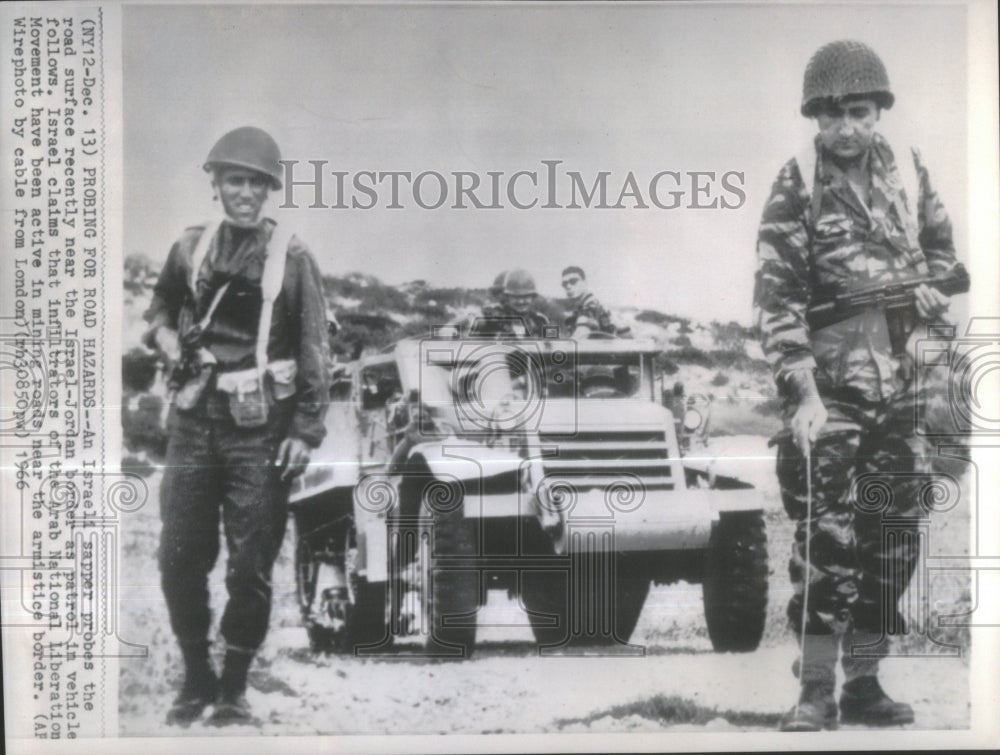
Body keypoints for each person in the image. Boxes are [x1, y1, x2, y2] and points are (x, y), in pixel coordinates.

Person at [753, 41, 960, 731]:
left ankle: (865, 680)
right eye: (833, 114)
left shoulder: (910, 171)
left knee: (895, 535)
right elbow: (776, 301)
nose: (847, 127)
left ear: (879, 112)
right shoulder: (796, 183)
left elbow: (941, 255)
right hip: (832, 390)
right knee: (826, 542)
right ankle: (815, 686)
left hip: (902, 387)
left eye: (860, 112)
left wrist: (930, 295)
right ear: (815, 117)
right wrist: (804, 395)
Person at [143, 126, 330, 726]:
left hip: (261, 430)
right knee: (178, 555)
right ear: (216, 184)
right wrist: (172, 343)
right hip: (195, 420)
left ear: (269, 189)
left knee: (251, 563)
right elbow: (160, 310)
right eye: (234, 180)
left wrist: (305, 430)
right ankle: (195, 678)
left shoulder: (291, 257)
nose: (245, 193)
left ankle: (234, 688)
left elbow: (314, 350)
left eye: (256, 182)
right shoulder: (191, 248)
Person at [456, 269, 552, 338]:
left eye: (526, 297)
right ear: (507, 296)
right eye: (516, 297)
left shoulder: (540, 320)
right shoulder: (492, 315)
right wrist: (452, 327)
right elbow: (470, 319)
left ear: (533, 297)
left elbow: (553, 346)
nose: (521, 301)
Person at [560, 266, 615, 338]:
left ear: (584, 282)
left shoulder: (590, 305)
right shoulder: (580, 307)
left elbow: (579, 338)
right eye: (564, 284)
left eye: (573, 281)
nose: (568, 286)